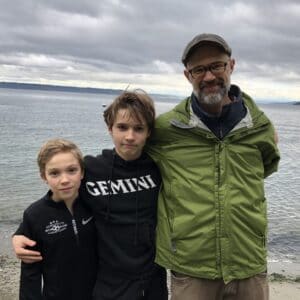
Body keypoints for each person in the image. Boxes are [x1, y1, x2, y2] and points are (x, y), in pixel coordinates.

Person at [146, 33, 280, 300]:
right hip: (192, 268)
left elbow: (265, 167)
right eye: (199, 69)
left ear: (231, 66)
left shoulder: (260, 126)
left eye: (216, 65)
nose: (208, 77)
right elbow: (124, 163)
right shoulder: (167, 129)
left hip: (248, 264)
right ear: (187, 75)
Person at [13, 91, 168, 300]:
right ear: (110, 128)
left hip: (152, 277)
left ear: (148, 132)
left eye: (138, 128)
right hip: (108, 280)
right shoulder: (92, 169)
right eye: (122, 127)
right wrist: (21, 232)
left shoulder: (159, 167)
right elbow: (57, 197)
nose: (130, 136)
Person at [18, 139, 97, 300]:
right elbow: (30, 274)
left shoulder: (95, 203)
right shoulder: (34, 215)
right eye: (55, 173)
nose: (65, 180)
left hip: (101, 294)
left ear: (82, 172)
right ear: (43, 176)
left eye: (72, 170)